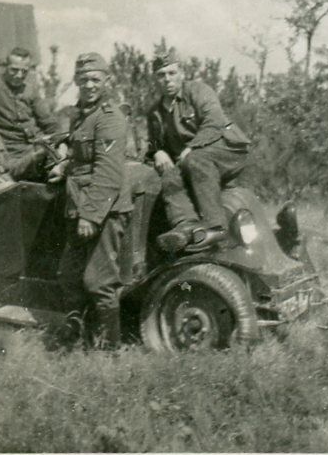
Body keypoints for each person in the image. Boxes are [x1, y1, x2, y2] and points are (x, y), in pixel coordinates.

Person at [48, 52, 131, 349]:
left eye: (95, 79)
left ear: (107, 81)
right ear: (76, 82)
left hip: (102, 211)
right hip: (79, 205)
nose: (90, 85)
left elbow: (108, 172)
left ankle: (111, 349)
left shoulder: (109, 119)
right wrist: (64, 165)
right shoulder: (81, 116)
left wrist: (91, 216)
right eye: (83, 80)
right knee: (68, 275)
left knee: (100, 282)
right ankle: (78, 333)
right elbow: (83, 158)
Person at [146, 51, 251, 252]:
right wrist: (157, 152)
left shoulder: (198, 91)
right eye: (161, 75)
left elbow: (214, 123)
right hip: (194, 159)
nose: (167, 79)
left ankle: (215, 226)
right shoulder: (155, 112)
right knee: (169, 173)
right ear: (155, 79)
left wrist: (191, 148)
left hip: (227, 148)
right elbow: (153, 143)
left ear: (181, 73)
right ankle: (185, 225)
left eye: (171, 73)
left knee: (195, 160)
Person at [0, 47, 62, 179]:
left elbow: (48, 122)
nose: (19, 75)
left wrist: (61, 141)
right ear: (5, 66)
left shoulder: (31, 90)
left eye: (24, 71)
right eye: (14, 70)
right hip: (11, 151)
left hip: (37, 147)